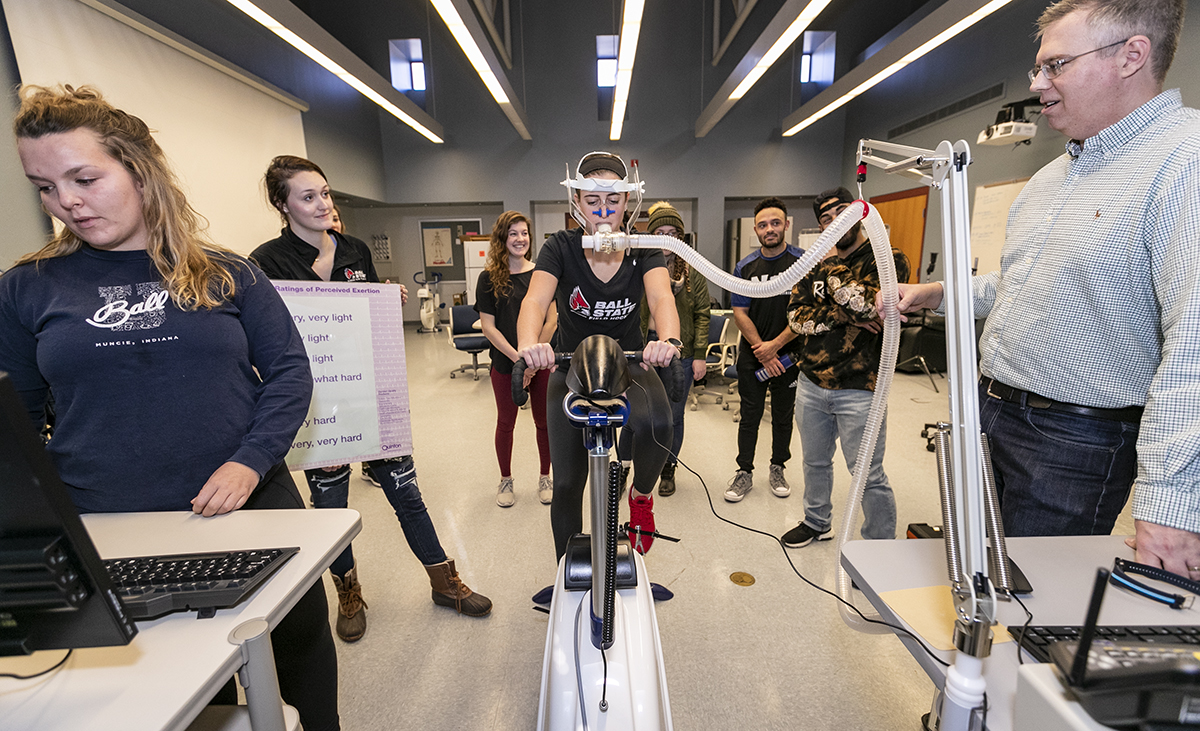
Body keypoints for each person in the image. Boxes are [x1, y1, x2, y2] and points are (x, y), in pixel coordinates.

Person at [0, 85, 339, 731]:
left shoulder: (228, 273)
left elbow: (290, 371)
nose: (65, 200)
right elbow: (14, 425)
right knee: (176, 691)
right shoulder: (25, 289)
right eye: (43, 185)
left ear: (139, 168)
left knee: (299, 656)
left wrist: (250, 460)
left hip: (251, 504)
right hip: (109, 523)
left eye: (84, 177)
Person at [887, 0, 1200, 576]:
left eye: (1055, 66)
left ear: (1132, 55)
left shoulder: (1184, 162)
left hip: (1073, 441)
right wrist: (940, 292)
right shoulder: (1052, 176)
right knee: (974, 585)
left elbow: (1195, 346)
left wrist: (1173, 505)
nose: (1037, 85)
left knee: (1033, 615)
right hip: (989, 412)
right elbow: (1025, 283)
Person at [251, 155, 491, 643]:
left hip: (368, 395)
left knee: (408, 493)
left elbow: (361, 311)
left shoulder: (355, 249)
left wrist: (385, 295)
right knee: (333, 507)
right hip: (317, 407)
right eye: (308, 196)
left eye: (325, 192)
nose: (323, 203)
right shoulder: (267, 261)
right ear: (283, 204)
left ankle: (444, 582)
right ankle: (348, 591)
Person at [516, 151, 679, 593]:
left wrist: (668, 340)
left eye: (612, 203)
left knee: (660, 423)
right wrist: (531, 345)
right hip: (569, 363)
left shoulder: (642, 248)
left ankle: (641, 494)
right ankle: (567, 573)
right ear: (578, 204)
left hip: (626, 360)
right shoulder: (560, 246)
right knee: (568, 481)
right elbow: (534, 300)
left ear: (627, 202)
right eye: (593, 202)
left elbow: (663, 299)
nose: (603, 213)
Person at [781, 187, 909, 548]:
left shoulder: (886, 258)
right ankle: (817, 521)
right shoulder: (813, 261)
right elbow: (796, 318)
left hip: (861, 386)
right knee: (815, 462)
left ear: (859, 213)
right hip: (811, 382)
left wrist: (836, 271)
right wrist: (842, 314)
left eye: (841, 213)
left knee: (867, 472)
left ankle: (878, 547)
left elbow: (871, 308)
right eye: (825, 218)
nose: (834, 222)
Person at [616, 201, 710, 496]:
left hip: (677, 356)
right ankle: (623, 467)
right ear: (651, 235)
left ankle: (668, 467)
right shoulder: (638, 266)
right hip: (643, 352)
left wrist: (699, 356)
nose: (667, 238)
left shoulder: (693, 272)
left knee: (673, 417)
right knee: (634, 416)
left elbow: (703, 314)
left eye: (673, 233)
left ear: (680, 237)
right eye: (660, 232)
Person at [725, 197, 804, 503]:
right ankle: (744, 471)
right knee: (750, 415)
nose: (769, 229)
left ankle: (778, 467)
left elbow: (807, 312)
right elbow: (739, 312)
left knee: (784, 416)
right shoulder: (745, 267)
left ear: (786, 224)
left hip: (789, 354)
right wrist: (762, 349)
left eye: (775, 223)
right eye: (762, 225)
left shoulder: (803, 262)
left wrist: (776, 347)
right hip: (753, 355)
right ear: (755, 229)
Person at [475, 210, 556, 507]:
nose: (520, 239)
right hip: (505, 363)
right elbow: (488, 326)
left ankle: (545, 476)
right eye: (513, 233)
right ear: (502, 239)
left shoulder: (542, 275)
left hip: (541, 363)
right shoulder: (488, 279)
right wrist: (519, 359)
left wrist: (533, 361)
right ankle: (505, 479)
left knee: (544, 422)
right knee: (506, 423)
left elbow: (551, 321)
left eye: (524, 233)